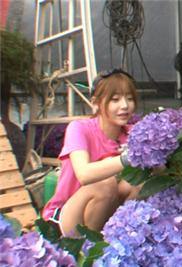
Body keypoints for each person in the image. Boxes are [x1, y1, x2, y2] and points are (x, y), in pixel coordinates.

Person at [42, 69, 140, 236]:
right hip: (67, 218)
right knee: (106, 184)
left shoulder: (132, 132)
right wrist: (128, 158)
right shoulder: (79, 128)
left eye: (129, 98)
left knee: (139, 183)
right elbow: (84, 174)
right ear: (96, 103)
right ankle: (89, 249)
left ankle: (122, 239)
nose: (125, 105)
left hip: (108, 216)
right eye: (115, 99)